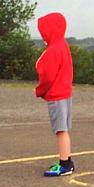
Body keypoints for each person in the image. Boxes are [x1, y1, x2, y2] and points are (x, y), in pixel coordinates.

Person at [35, 11, 75, 176]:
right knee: (63, 129)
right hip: (65, 93)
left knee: (60, 130)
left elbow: (47, 75)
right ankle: (66, 160)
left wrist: (40, 91)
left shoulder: (53, 50)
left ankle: (65, 164)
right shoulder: (63, 45)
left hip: (57, 95)